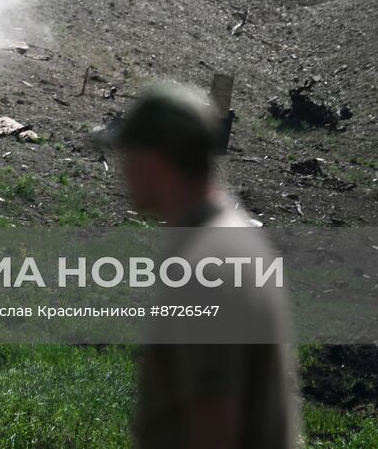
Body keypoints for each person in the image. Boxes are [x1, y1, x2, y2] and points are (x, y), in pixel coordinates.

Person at [108, 82, 301, 449]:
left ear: (155, 158)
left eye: (128, 153)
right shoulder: (237, 238)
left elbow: (215, 424)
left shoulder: (204, 267)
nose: (123, 168)